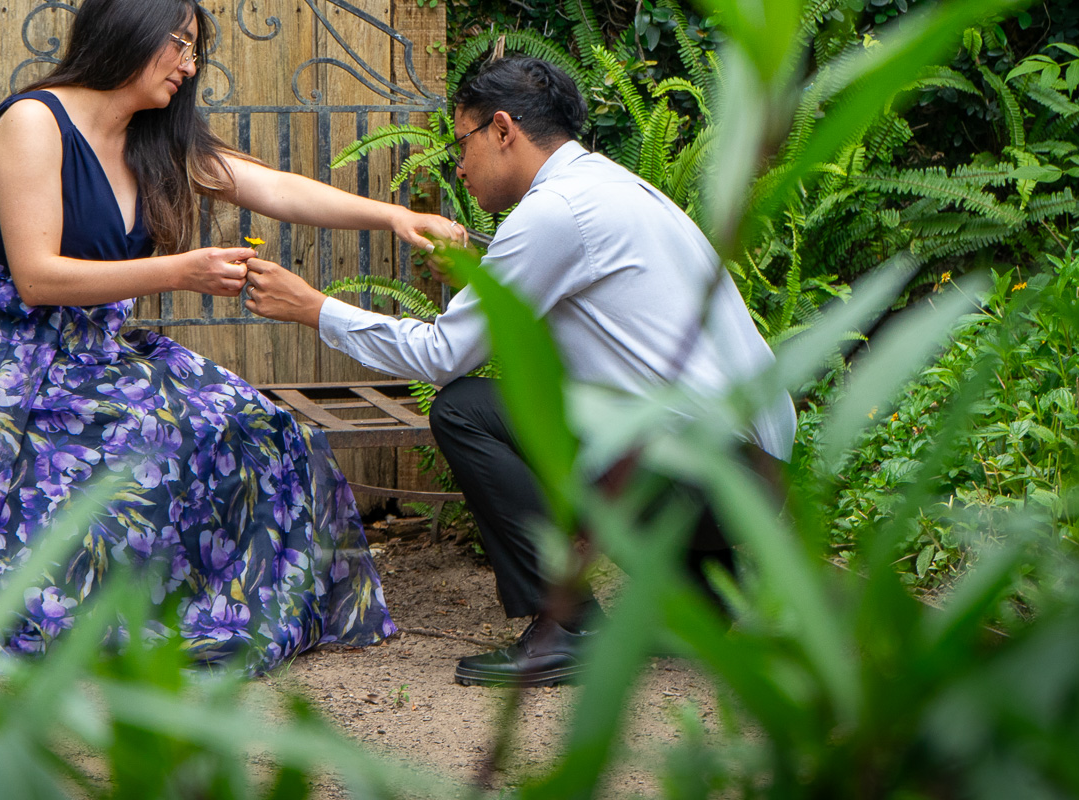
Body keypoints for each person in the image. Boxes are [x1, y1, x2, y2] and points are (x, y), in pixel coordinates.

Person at [0, 0, 464, 674]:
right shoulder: (34, 123)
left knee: (259, 425)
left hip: (94, 350)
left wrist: (398, 217)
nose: (190, 66)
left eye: (195, 51)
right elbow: (36, 278)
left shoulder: (152, 138)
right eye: (180, 45)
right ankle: (83, 607)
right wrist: (180, 270)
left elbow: (271, 186)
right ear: (128, 34)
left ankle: (212, 611)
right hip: (3, 353)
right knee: (152, 431)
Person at [242, 56, 795, 687]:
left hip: (710, 479)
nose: (458, 164)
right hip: (754, 472)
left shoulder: (554, 212)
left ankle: (568, 626)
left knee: (464, 409)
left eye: (463, 141)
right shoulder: (608, 186)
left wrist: (314, 310)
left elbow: (442, 358)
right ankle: (706, 598)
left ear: (502, 129)